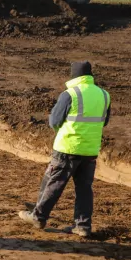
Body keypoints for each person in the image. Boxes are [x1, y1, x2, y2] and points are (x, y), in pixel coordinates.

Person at [18, 61, 111, 238]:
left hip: (67, 148)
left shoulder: (71, 94)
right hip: (90, 149)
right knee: (84, 188)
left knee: (55, 183)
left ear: (74, 76)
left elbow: (54, 121)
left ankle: (38, 216)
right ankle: (82, 226)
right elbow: (104, 121)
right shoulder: (104, 95)